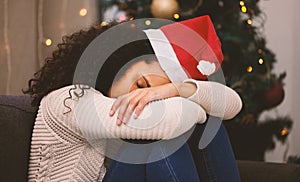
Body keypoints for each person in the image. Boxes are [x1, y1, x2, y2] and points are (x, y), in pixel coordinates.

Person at [24, 16, 242, 182]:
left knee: (203, 126)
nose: (141, 98)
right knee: (163, 141)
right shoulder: (70, 101)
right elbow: (170, 122)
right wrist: (187, 101)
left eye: (151, 96)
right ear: (118, 62)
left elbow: (232, 104)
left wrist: (174, 90)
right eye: (141, 86)